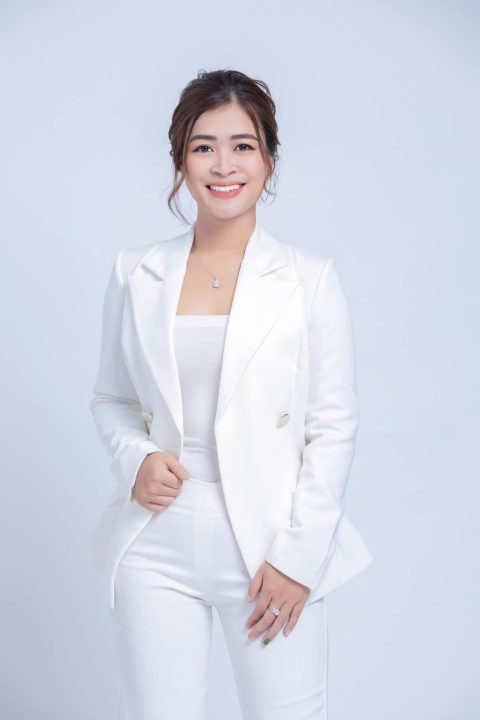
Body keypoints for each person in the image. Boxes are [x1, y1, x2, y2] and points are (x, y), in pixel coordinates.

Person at [88, 68, 373, 720]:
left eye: (243, 145)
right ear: (180, 160)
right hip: (155, 541)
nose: (223, 165)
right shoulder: (135, 273)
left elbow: (333, 425)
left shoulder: (309, 280)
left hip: (270, 544)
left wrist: (299, 559)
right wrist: (136, 459)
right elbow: (110, 398)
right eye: (203, 146)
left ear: (269, 159)